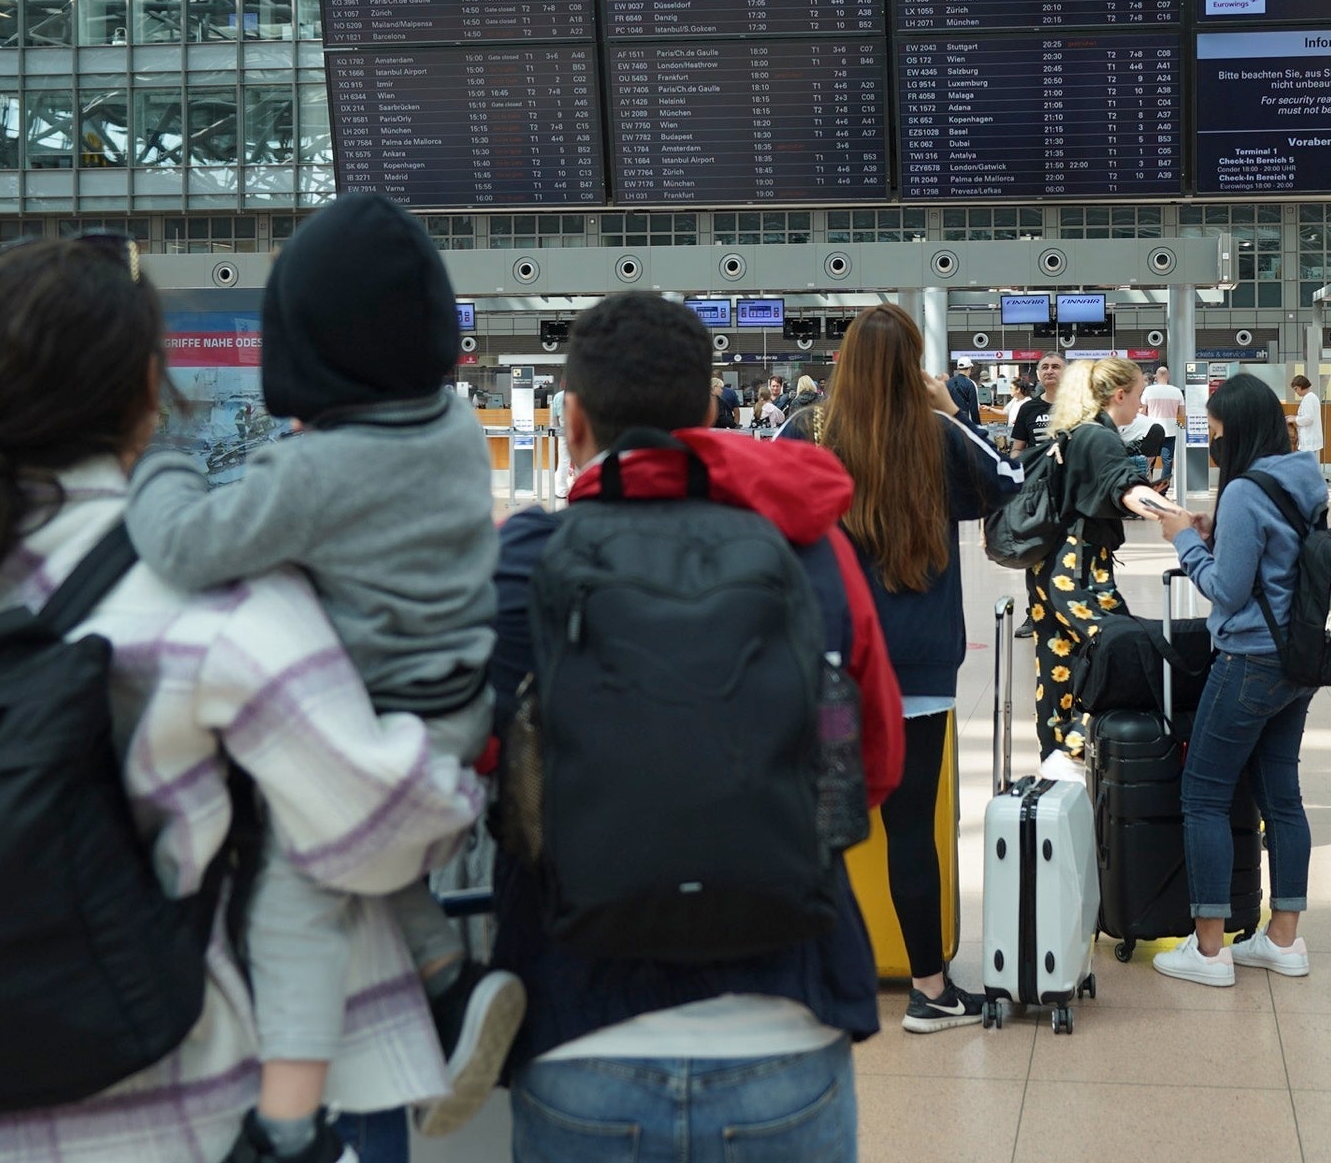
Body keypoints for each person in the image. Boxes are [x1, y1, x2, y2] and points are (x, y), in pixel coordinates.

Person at [0, 239, 480, 1163]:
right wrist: (456, 752)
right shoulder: (210, 593)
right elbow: (376, 829)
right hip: (193, 1109)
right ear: (148, 389)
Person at [122, 193, 522, 1144]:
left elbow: (183, 546)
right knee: (364, 872)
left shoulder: (314, 474)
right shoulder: (455, 427)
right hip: (459, 700)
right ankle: (448, 978)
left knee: (296, 903)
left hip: (382, 723)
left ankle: (286, 1124)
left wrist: (162, 462)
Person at [487, 293, 903, 1160]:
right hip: (785, 1027)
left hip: (578, 1032)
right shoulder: (810, 554)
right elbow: (874, 761)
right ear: (710, 413)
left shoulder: (529, 560)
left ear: (570, 420)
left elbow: (484, 764)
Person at [782, 304, 1017, 1032]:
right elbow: (1011, 485)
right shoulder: (938, 433)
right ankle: (930, 989)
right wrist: (951, 407)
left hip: (827, 661)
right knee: (911, 828)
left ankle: (806, 984)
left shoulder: (809, 432)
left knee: (817, 826)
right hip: (916, 667)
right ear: (912, 364)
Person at [1148, 374, 1325, 988]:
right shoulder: (1301, 477)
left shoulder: (1248, 492)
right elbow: (1275, 559)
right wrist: (1212, 529)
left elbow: (1225, 589)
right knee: (1283, 798)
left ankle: (1209, 949)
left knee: (1203, 795)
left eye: (1217, 436)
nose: (1214, 447)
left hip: (1250, 660)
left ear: (1239, 433)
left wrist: (1182, 543)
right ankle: (1283, 941)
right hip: (1299, 660)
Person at [1025, 358, 1163, 762]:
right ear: (1118, 395)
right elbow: (1127, 488)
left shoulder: (1072, 432)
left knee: (1056, 667)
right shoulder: (1101, 437)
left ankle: (1055, 761)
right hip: (1079, 570)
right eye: (1138, 395)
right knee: (1124, 651)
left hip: (1050, 566)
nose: (1141, 406)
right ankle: (1080, 745)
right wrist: (1178, 517)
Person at [1011, 351, 1066, 455]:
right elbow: (1017, 449)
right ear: (1038, 374)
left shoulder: (1079, 407)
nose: (1049, 371)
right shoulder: (1027, 408)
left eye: (1055, 367)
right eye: (1045, 367)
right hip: (1038, 470)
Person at [1141, 366, 1185, 488]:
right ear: (1168, 376)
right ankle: (1163, 489)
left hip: (1152, 431)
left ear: (1156, 376)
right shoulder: (1177, 392)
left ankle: (1147, 486)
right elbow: (1181, 414)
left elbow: (1143, 412)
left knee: (1149, 460)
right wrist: (1181, 430)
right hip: (1170, 432)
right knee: (1167, 461)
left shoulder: (1148, 391)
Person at [1292, 375, 1324, 456]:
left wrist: (1294, 419)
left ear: (1301, 386)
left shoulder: (1308, 398)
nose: (1296, 391)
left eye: (1296, 389)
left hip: (1308, 440)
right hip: (1309, 439)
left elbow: (1308, 419)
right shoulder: (1311, 397)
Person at [945, 359, 981, 425]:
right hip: (965, 422)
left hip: (951, 421)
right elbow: (973, 408)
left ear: (958, 368)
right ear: (970, 368)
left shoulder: (949, 382)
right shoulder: (971, 383)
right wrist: (977, 425)